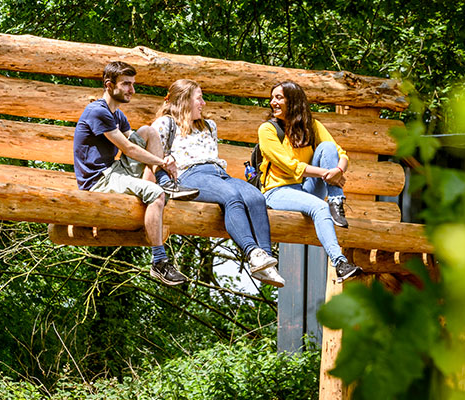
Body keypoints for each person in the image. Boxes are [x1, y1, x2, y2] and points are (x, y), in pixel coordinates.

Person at [73, 61, 198, 287]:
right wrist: (163, 162)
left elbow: (139, 145)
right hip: (99, 180)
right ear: (109, 85)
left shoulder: (117, 115)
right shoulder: (97, 111)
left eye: (133, 84)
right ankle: (159, 262)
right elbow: (129, 149)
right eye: (126, 84)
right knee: (156, 194)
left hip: (114, 169)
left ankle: (159, 186)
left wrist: (165, 159)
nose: (132, 90)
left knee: (148, 131)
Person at [151, 79, 285, 288]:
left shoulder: (209, 126)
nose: (203, 103)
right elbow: (153, 160)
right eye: (199, 98)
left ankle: (266, 262)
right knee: (231, 195)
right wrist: (166, 182)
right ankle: (252, 252)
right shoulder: (165, 124)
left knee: (255, 197)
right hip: (189, 174)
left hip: (218, 173)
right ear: (185, 101)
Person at [257, 80, 361, 282]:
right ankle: (340, 263)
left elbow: (341, 153)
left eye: (279, 98)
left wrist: (339, 170)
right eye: (272, 98)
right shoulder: (267, 130)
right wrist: (326, 173)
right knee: (319, 208)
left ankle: (336, 201)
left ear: (293, 101)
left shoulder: (312, 126)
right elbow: (291, 166)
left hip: (305, 188)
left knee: (328, 148)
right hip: (277, 191)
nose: (273, 102)